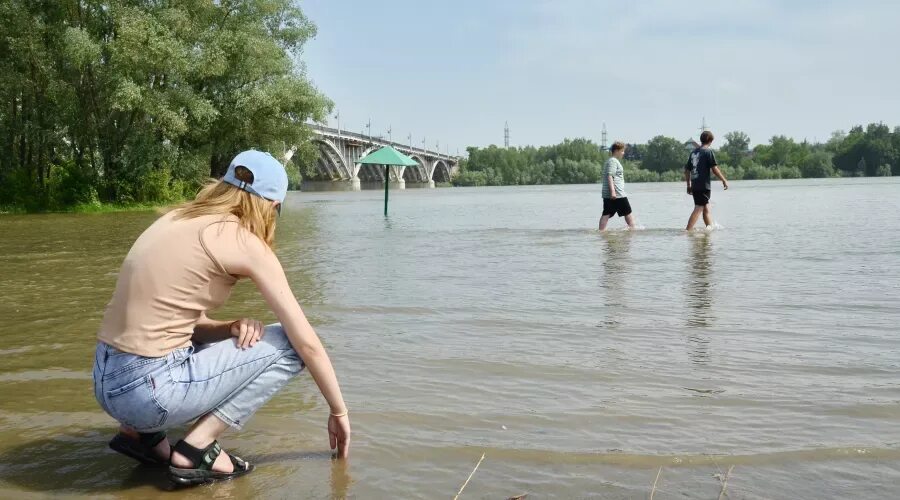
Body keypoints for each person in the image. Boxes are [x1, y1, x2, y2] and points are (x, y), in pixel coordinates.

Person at [92, 150, 351, 486]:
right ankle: (196, 448)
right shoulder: (243, 241)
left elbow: (179, 324)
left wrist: (229, 328)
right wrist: (338, 412)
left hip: (105, 381)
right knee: (290, 345)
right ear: (271, 206)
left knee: (187, 348)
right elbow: (308, 344)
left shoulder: (174, 219)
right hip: (148, 392)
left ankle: (144, 437)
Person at [684, 130, 729, 230]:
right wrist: (724, 180)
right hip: (703, 185)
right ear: (710, 140)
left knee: (706, 207)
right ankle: (687, 230)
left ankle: (709, 229)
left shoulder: (693, 153)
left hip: (695, 185)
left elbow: (687, 170)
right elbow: (714, 168)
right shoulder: (708, 152)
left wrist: (689, 185)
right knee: (699, 208)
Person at [599, 141, 636, 230]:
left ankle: (601, 232)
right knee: (628, 212)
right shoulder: (613, 161)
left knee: (606, 213)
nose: (623, 153)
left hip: (610, 193)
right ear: (617, 151)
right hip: (617, 193)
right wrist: (613, 192)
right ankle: (633, 230)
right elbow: (609, 175)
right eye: (622, 151)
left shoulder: (611, 161)